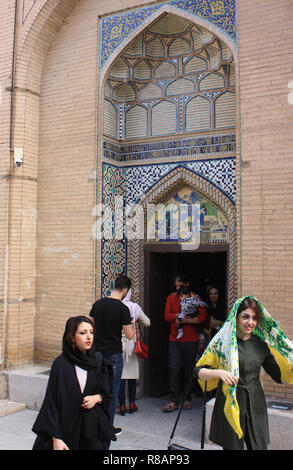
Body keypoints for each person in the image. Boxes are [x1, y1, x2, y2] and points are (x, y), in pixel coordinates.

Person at [195, 296, 293, 450]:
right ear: (236, 317)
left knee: (259, 446)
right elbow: (198, 371)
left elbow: (277, 374)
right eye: (245, 317)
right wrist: (220, 373)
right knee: (233, 447)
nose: (250, 322)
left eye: (254, 318)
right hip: (230, 401)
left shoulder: (260, 344)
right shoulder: (223, 341)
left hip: (256, 402)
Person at [32, 316, 116, 450]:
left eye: (91, 332)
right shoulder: (61, 364)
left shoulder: (98, 361)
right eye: (83, 333)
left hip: (92, 433)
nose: (89, 337)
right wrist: (56, 437)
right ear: (72, 337)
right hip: (67, 431)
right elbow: (51, 402)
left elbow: (108, 393)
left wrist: (97, 398)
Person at [89, 275, 134, 431]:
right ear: (125, 290)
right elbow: (129, 335)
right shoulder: (123, 308)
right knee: (112, 391)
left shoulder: (98, 304)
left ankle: (94, 423)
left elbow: (91, 327)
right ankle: (107, 426)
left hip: (96, 353)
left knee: (95, 388)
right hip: (113, 354)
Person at [163, 274, 207, 412]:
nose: (178, 289)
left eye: (180, 286)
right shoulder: (171, 298)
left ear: (187, 284)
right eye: (176, 286)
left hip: (191, 339)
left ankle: (187, 398)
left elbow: (203, 316)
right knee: (174, 368)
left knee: (189, 370)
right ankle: (174, 399)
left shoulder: (195, 298)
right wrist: (178, 315)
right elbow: (166, 315)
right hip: (175, 339)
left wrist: (187, 320)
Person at [118, 288, 150, 415]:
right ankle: (132, 403)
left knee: (120, 376)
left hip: (118, 346)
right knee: (131, 376)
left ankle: (121, 405)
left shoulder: (117, 307)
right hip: (132, 346)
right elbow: (147, 322)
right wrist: (135, 320)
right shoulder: (134, 307)